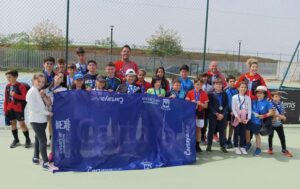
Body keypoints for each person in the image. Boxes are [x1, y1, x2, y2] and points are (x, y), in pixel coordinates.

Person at [26, 73, 57, 171]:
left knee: (38, 138)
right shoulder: (31, 92)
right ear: (33, 80)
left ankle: (35, 157)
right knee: (43, 141)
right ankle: (46, 163)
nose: (41, 83)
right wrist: (48, 113)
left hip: (41, 120)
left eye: (43, 82)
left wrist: (46, 108)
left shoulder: (38, 91)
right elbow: (34, 109)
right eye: (38, 81)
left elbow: (42, 105)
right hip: (36, 120)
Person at [4, 70, 31, 148]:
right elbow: (6, 98)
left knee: (22, 124)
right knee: (13, 123)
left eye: (10, 77)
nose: (8, 79)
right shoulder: (7, 86)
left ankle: (27, 139)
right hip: (10, 108)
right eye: (7, 77)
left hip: (18, 109)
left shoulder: (21, 86)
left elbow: (25, 97)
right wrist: (5, 109)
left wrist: (15, 95)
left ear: (15, 77)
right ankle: (16, 139)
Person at [246, 86, 274, 156]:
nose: (259, 94)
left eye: (261, 93)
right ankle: (248, 143)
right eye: (257, 92)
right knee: (247, 131)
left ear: (264, 94)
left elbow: (271, 112)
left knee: (256, 135)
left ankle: (258, 148)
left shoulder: (267, 103)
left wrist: (263, 116)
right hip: (250, 120)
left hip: (258, 122)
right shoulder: (253, 101)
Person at [185, 78, 209, 152]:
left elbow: (206, 106)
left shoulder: (204, 93)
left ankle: (197, 145)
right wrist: (190, 101)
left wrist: (200, 103)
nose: (199, 86)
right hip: (191, 113)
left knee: (198, 129)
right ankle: (190, 144)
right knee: (191, 129)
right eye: (197, 84)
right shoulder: (190, 92)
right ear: (194, 84)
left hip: (200, 113)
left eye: (200, 84)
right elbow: (186, 102)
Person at [267, 91, 293, 157]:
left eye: (279, 96)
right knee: (270, 137)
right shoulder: (270, 104)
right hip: (271, 125)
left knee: (282, 137)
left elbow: (282, 113)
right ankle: (270, 148)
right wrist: (279, 116)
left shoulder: (281, 104)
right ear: (272, 97)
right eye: (276, 96)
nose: (278, 98)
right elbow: (271, 114)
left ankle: (284, 150)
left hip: (279, 125)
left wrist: (282, 117)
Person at [206, 79, 229, 153]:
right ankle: (209, 145)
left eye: (220, 84)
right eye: (216, 84)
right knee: (211, 130)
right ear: (214, 85)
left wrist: (222, 114)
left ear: (222, 85)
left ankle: (222, 146)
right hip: (213, 115)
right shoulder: (210, 94)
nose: (218, 85)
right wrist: (216, 113)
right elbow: (210, 105)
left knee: (222, 131)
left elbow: (226, 105)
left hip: (222, 116)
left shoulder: (225, 94)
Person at [231, 81, 251, 155]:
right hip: (237, 117)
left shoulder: (248, 98)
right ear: (238, 88)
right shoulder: (234, 97)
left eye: (245, 87)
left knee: (243, 132)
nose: (243, 89)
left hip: (244, 118)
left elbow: (249, 109)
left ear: (246, 89)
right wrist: (237, 117)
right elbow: (233, 108)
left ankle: (242, 146)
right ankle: (236, 147)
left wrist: (247, 119)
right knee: (236, 132)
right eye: (241, 87)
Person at [199, 73, 213, 144]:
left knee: (205, 123)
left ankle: (203, 137)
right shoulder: (198, 86)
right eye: (203, 77)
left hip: (207, 107)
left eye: (206, 77)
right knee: (198, 123)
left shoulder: (211, 87)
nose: (204, 78)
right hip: (199, 107)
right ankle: (198, 137)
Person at [225, 75, 238, 148]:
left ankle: (229, 139)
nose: (232, 83)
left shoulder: (237, 91)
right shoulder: (225, 91)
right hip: (227, 111)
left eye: (233, 81)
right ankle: (225, 139)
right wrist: (228, 110)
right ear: (227, 82)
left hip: (234, 111)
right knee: (225, 125)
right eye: (230, 81)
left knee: (232, 125)